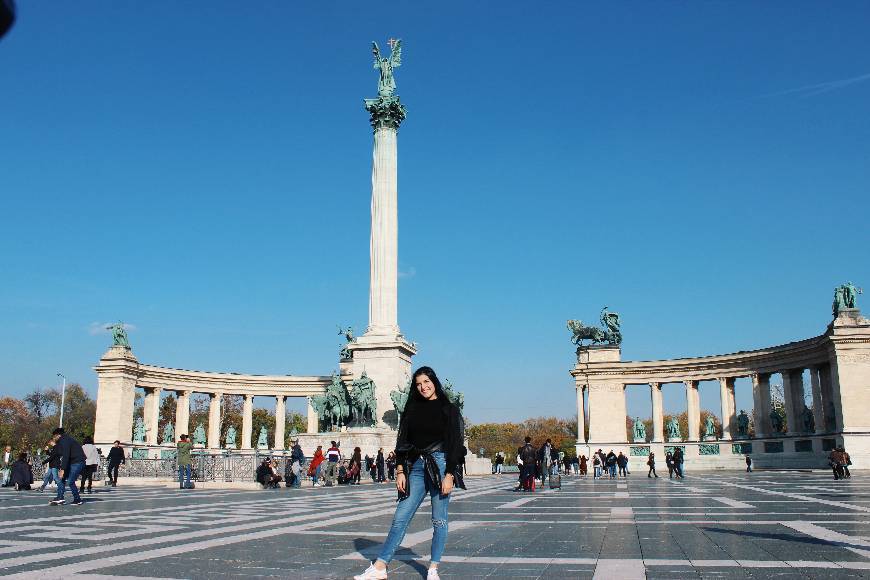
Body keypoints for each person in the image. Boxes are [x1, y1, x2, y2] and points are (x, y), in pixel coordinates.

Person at [354, 366, 466, 580]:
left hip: (441, 465)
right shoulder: (412, 409)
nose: (423, 387)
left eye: (426, 381)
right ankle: (380, 567)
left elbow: (455, 444)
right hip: (415, 468)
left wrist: (450, 474)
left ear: (434, 381)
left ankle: (433, 568)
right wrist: (399, 470)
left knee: (439, 519)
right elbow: (402, 442)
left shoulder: (449, 409)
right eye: (418, 384)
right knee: (400, 517)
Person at [49, 427, 86, 506]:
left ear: (58, 435)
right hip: (72, 462)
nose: (53, 438)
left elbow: (66, 455)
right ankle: (60, 498)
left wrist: (62, 469)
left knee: (70, 481)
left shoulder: (65, 440)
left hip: (77, 462)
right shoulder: (63, 441)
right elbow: (60, 453)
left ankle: (77, 499)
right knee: (62, 479)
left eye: (54, 436)